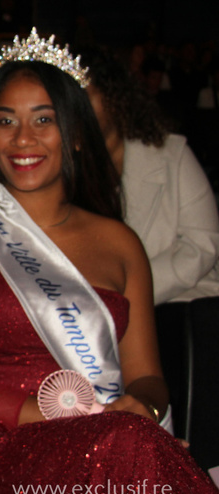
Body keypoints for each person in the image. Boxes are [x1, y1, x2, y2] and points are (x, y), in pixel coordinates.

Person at [0, 29, 219, 494]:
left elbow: (149, 377)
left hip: (117, 444)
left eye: (43, 120)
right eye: (6, 121)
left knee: (133, 456)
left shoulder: (121, 243)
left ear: (74, 132)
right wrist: (67, 416)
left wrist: (145, 409)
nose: (22, 139)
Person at [81, 48, 219, 304]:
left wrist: (130, 291)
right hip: (102, 316)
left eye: (84, 98)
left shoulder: (171, 155)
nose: (75, 111)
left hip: (182, 304)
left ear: (112, 98)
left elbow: (203, 245)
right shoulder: (64, 169)